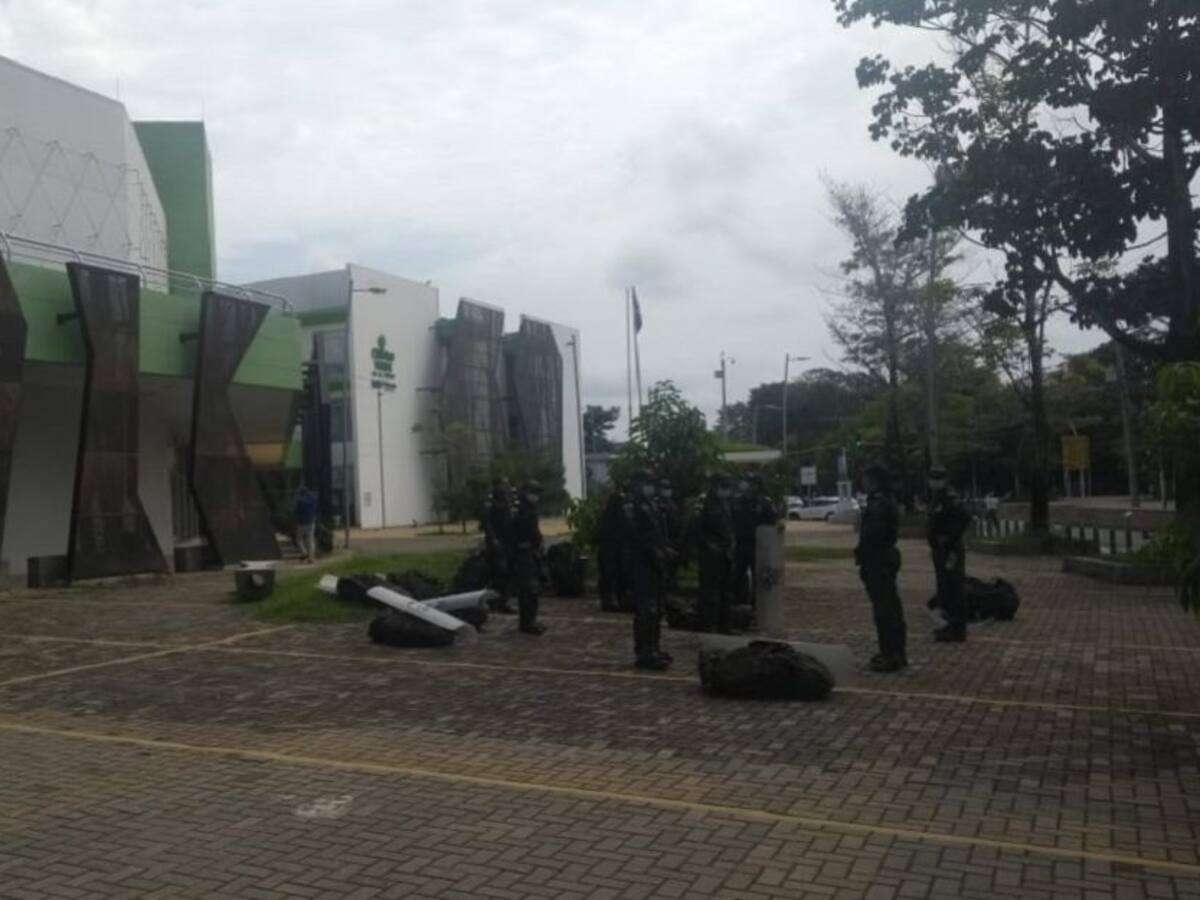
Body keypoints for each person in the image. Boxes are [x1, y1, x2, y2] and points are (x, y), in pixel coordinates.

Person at [856, 464, 906, 673]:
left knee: (884, 611)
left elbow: (872, 536)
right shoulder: (886, 500)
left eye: (865, 479)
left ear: (873, 481)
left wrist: (863, 555)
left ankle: (890, 655)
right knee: (891, 608)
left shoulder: (878, 504)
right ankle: (895, 653)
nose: (862, 483)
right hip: (885, 558)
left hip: (878, 561)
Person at [626, 471, 671, 669]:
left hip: (655, 563)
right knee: (646, 609)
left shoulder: (652, 504)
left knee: (656, 609)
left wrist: (663, 550)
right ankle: (644, 652)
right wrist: (654, 551)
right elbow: (636, 537)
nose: (649, 487)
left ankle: (653, 647)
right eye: (646, 483)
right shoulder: (631, 507)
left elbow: (657, 533)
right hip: (642, 563)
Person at [927, 466, 973, 642]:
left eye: (938, 478)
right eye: (932, 478)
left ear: (945, 480)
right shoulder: (936, 498)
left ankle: (957, 629)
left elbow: (964, 518)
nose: (935, 481)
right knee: (944, 588)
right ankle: (948, 626)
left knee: (954, 587)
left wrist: (949, 537)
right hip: (940, 551)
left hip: (950, 551)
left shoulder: (950, 498)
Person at [697, 473, 736, 633]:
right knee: (710, 593)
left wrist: (731, 544)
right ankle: (709, 625)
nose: (726, 490)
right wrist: (710, 546)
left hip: (726, 553)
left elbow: (729, 528)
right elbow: (698, 531)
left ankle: (725, 624)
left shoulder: (726, 504)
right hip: (711, 555)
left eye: (728, 486)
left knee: (726, 591)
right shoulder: (703, 505)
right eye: (723, 486)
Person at [732, 475, 778, 608]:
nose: (748, 487)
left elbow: (773, 521)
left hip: (757, 546)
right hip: (740, 545)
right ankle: (739, 603)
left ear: (758, 487)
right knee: (738, 576)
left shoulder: (764, 503)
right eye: (748, 484)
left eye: (752, 484)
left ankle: (757, 605)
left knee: (759, 577)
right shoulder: (738, 501)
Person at [509, 481, 547, 635]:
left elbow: (534, 530)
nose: (536, 496)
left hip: (532, 551)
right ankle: (526, 623)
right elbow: (511, 531)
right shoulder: (519, 509)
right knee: (527, 589)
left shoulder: (530, 508)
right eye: (534, 492)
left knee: (533, 589)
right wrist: (519, 544)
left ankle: (532, 620)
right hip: (522, 553)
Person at [481, 478, 514, 613]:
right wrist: (493, 539)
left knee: (506, 573)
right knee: (498, 572)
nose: (505, 487)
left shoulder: (507, 501)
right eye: (502, 485)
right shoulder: (490, 502)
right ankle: (495, 602)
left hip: (507, 541)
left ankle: (503, 601)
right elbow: (487, 523)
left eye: (506, 484)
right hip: (496, 541)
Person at [597, 486, 629, 612]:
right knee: (609, 575)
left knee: (613, 575)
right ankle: (609, 600)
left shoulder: (609, 514)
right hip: (610, 548)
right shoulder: (613, 515)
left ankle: (613, 600)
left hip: (614, 548)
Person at [294, 485, 317, 563]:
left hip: (302, 523)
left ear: (300, 493)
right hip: (311, 522)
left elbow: (297, 512)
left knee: (299, 539)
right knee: (310, 540)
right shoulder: (312, 499)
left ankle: (304, 553)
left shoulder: (299, 501)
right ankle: (311, 558)